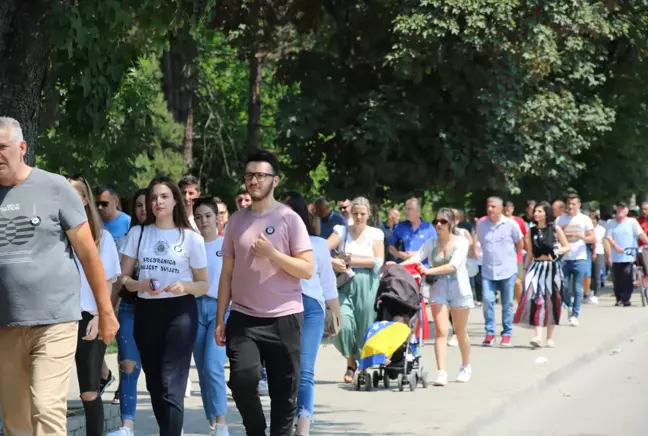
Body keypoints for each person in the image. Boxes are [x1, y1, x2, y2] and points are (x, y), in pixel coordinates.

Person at [0, 116, 119, 436]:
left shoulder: (54, 187)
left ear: (22, 148)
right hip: (5, 325)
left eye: (2, 147)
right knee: (15, 419)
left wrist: (105, 312)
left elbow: (89, 254)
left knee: (46, 408)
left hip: (55, 321)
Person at [215, 149, 313, 436]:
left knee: (284, 395)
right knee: (242, 381)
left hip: (285, 318)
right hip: (244, 318)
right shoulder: (236, 220)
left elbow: (306, 269)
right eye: (249, 175)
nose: (254, 181)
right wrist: (221, 317)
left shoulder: (289, 219)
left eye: (260, 175)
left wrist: (273, 254)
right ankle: (255, 429)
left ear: (275, 180)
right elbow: (227, 274)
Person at [118, 176, 208, 436]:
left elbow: (203, 284)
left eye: (164, 196)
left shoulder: (191, 238)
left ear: (175, 201)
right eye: (154, 197)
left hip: (180, 312)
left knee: (172, 381)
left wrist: (185, 286)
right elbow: (123, 278)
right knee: (156, 384)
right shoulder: (139, 233)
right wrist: (140, 284)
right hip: (147, 312)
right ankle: (169, 430)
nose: (158, 202)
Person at [283, 192, 341, 436]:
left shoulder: (317, 244)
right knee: (286, 368)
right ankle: (285, 419)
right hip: (282, 307)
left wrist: (336, 315)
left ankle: (303, 423)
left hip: (312, 307)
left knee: (305, 368)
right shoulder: (272, 244)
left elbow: (328, 283)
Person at [69, 176, 122, 436]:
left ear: (85, 200)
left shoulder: (103, 238)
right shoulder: (55, 235)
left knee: (89, 391)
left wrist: (102, 315)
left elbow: (111, 283)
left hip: (90, 317)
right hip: (58, 317)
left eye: (74, 194)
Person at [402, 208, 473, 386]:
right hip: (438, 288)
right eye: (436, 222)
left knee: (460, 331)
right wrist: (395, 267)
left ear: (452, 224)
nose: (438, 225)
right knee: (441, 332)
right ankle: (441, 371)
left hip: (459, 288)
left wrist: (428, 270)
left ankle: (465, 365)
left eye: (443, 222)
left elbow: (453, 266)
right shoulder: (432, 243)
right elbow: (417, 258)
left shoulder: (462, 242)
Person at [327, 197, 385, 383]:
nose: (359, 217)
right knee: (341, 324)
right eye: (355, 213)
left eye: (362, 213)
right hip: (343, 282)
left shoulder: (375, 233)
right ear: (350, 214)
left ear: (368, 214)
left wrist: (351, 259)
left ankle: (361, 366)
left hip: (367, 284)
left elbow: (377, 261)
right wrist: (333, 261)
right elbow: (322, 250)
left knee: (364, 324)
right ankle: (351, 361)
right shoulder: (342, 231)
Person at [108, 189, 147, 436]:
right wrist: (108, 312)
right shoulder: (129, 236)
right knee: (128, 364)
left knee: (161, 372)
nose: (145, 209)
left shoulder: (173, 235)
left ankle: (173, 424)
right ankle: (127, 426)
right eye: (140, 205)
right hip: (131, 307)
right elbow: (117, 279)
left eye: (148, 204)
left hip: (160, 310)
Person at [192, 197, 230, 436]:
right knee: (202, 368)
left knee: (214, 365)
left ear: (217, 218)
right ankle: (213, 418)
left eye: (208, 216)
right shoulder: (190, 245)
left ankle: (222, 423)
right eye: (198, 217)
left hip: (220, 309)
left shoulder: (227, 246)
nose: (203, 221)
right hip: (194, 309)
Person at [514, 202, 570, 348]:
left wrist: (558, 252)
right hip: (536, 267)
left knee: (552, 300)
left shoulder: (555, 229)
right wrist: (525, 271)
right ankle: (538, 336)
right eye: (535, 211)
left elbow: (567, 246)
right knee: (536, 300)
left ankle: (550, 337)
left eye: (539, 211)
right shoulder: (530, 231)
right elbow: (530, 253)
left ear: (546, 213)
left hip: (551, 268)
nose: (536, 213)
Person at [474, 197, 523, 347]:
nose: (490, 209)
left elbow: (519, 243)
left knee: (507, 303)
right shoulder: (481, 226)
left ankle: (507, 333)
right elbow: (481, 243)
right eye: (488, 206)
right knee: (488, 301)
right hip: (488, 270)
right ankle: (490, 333)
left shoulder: (511, 224)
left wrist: (511, 258)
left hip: (507, 269)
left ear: (501, 208)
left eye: (493, 207)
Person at [556, 194, 595, 326]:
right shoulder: (560, 219)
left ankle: (575, 315)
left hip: (580, 257)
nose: (571, 206)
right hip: (564, 258)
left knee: (578, 288)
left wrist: (582, 236)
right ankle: (568, 305)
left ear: (579, 205)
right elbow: (555, 235)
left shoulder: (585, 219)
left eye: (574, 204)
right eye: (569, 204)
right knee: (564, 286)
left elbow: (592, 238)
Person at [604, 201, 648, 307]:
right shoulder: (611, 223)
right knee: (617, 278)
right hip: (615, 255)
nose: (620, 210)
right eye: (618, 208)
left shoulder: (632, 222)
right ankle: (619, 298)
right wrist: (610, 253)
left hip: (629, 254)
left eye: (622, 209)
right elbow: (607, 238)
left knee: (627, 276)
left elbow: (640, 234)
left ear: (626, 211)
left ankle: (626, 298)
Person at [387, 198, 437, 263]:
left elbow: (435, 250)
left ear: (418, 211)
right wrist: (398, 254)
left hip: (423, 268)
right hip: (402, 268)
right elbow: (390, 246)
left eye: (409, 209)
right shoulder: (399, 227)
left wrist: (417, 254)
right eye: (405, 209)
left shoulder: (429, 228)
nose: (406, 211)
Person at [504, 201, 528, 303]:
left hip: (517, 255)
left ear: (513, 209)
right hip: (503, 257)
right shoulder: (498, 222)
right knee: (507, 283)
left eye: (509, 209)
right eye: (505, 209)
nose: (507, 211)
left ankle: (519, 306)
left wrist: (529, 251)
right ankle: (508, 306)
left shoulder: (519, 221)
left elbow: (525, 237)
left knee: (518, 282)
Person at [589, 214, 606, 305]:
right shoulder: (587, 229)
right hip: (588, 252)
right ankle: (588, 293)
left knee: (596, 274)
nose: (591, 221)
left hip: (599, 252)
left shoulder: (601, 230)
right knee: (588, 274)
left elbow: (604, 242)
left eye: (593, 219)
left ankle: (596, 293)